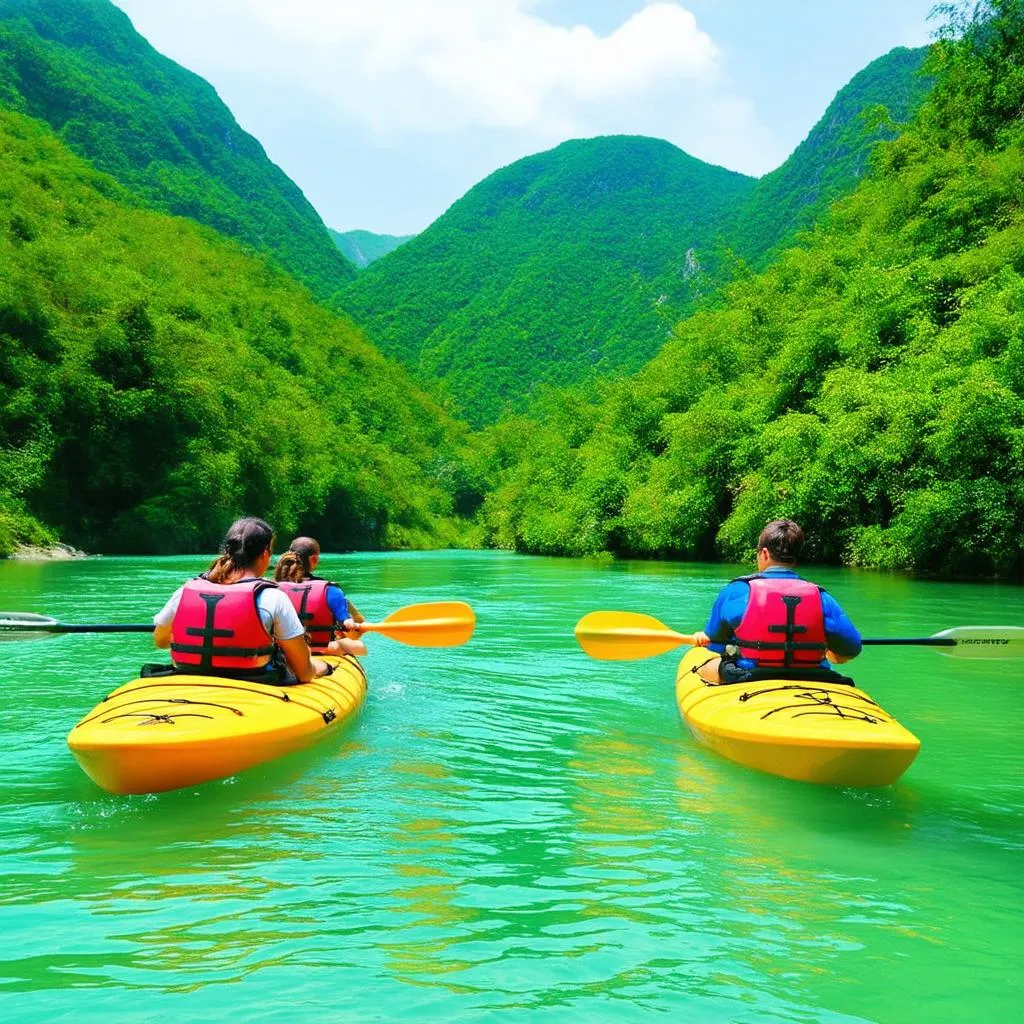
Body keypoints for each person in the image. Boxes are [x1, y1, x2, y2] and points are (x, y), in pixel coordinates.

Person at [152, 517, 333, 683]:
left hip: (190, 676)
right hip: (255, 682)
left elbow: (160, 640)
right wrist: (321, 667)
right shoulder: (273, 597)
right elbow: (304, 673)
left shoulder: (185, 591)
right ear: (264, 554)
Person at [692, 518, 862, 684]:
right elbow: (851, 649)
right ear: (796, 557)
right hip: (814, 676)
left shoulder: (737, 591)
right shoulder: (821, 596)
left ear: (764, 553)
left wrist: (707, 639)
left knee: (703, 666)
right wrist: (831, 654)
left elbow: (715, 645)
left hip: (749, 675)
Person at [273, 536, 368, 657]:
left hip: (283, 650)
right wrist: (346, 626)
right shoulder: (330, 590)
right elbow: (351, 625)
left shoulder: (273, 588)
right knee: (361, 647)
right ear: (314, 559)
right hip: (321, 648)